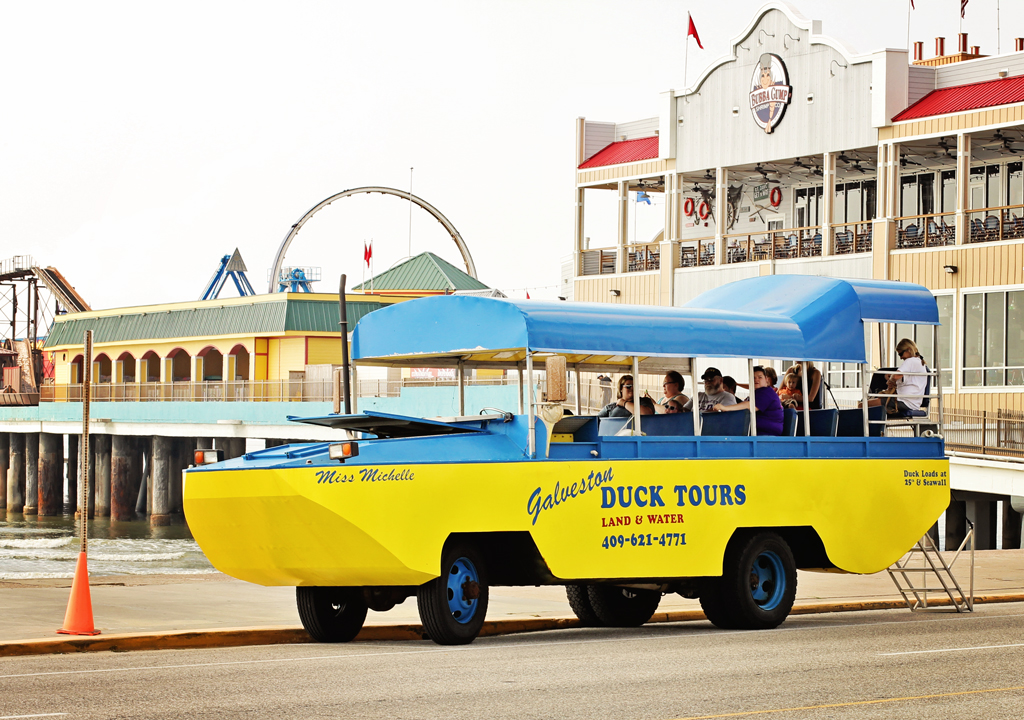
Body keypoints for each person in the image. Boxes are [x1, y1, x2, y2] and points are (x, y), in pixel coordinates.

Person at [713, 365, 784, 436]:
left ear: (766, 379)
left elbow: (751, 405)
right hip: (755, 432)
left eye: (760, 377)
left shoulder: (767, 392)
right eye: (753, 378)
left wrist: (725, 408)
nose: (756, 380)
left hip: (767, 434)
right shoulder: (757, 393)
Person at [889, 339, 928, 415]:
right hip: (913, 402)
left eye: (901, 354)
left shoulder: (910, 361)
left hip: (904, 401)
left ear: (908, 350)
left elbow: (895, 376)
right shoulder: (919, 362)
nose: (901, 357)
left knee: (864, 404)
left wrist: (890, 380)